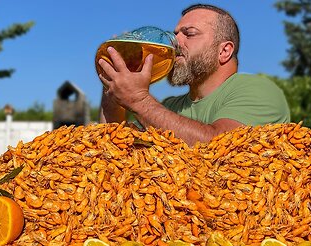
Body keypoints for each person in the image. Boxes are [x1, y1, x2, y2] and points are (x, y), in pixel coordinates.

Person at [98, 4, 290, 145]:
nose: (175, 42)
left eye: (189, 34)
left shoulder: (258, 90)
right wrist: (113, 89)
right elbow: (116, 151)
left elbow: (221, 147)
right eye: (175, 34)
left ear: (224, 51)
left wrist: (139, 101)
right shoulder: (169, 108)